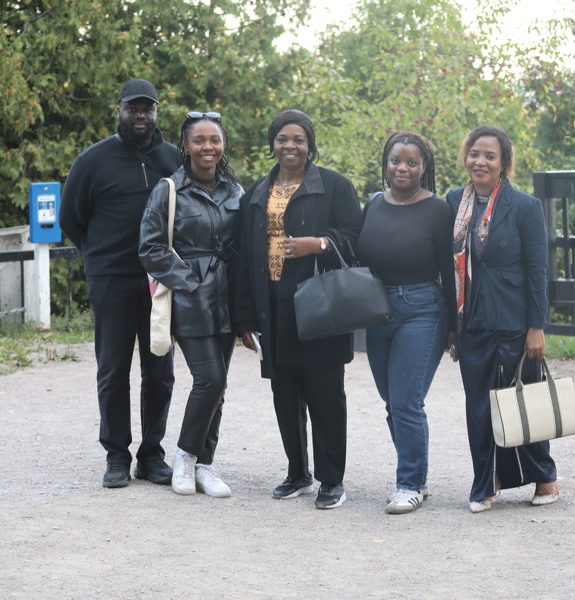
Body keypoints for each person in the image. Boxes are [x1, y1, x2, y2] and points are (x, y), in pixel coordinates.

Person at [235, 109, 363, 510]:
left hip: (320, 306)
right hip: (273, 308)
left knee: (326, 395)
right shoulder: (256, 193)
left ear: (310, 145)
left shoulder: (335, 186)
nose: (290, 146)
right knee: (285, 395)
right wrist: (244, 318)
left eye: (298, 139)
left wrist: (319, 244)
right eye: (282, 139)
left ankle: (331, 480)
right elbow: (243, 257)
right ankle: (298, 473)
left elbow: (356, 237)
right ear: (272, 144)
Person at [60, 79, 180, 489]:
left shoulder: (173, 159)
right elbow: (71, 219)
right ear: (119, 110)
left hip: (159, 282)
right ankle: (116, 455)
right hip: (111, 281)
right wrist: (99, 257)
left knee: (160, 371)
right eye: (133, 108)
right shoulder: (92, 161)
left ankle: (151, 454)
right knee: (113, 371)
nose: (140, 115)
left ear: (156, 112)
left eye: (147, 108)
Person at [446, 125, 559, 513]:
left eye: (490, 156)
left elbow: (537, 271)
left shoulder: (525, 206)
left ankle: (544, 476)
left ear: (504, 163)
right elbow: (448, 265)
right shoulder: (454, 201)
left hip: (514, 319)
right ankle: (485, 482)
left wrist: (536, 326)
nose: (480, 161)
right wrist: (451, 326)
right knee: (478, 404)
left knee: (522, 398)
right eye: (474, 153)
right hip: (471, 319)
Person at [138, 111, 244, 498]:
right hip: (191, 298)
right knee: (209, 378)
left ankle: (205, 465)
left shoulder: (235, 191)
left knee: (220, 385)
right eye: (199, 140)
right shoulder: (168, 189)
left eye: (214, 140)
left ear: (223, 144)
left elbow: (244, 245)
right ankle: (184, 457)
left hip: (228, 297)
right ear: (186, 145)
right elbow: (150, 248)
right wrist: (189, 283)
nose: (207, 147)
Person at [356, 131, 457, 514]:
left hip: (422, 309)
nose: (403, 168)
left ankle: (410, 483)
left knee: (406, 402)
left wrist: (454, 328)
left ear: (423, 167)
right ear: (386, 163)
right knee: (392, 403)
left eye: (412, 162)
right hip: (376, 310)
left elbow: (450, 271)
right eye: (396, 160)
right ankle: (417, 478)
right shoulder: (372, 203)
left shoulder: (438, 210)